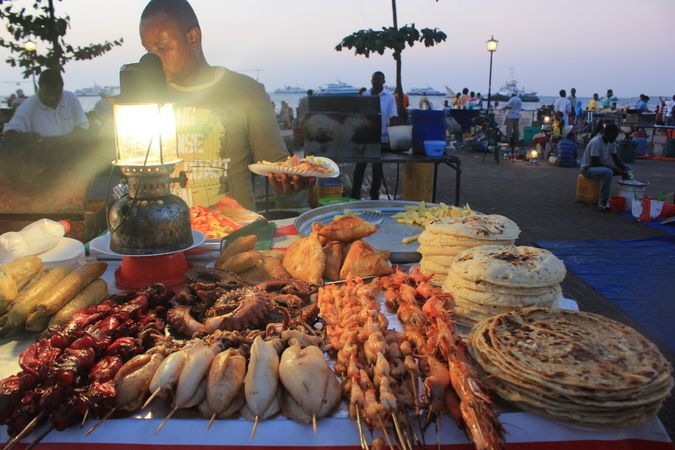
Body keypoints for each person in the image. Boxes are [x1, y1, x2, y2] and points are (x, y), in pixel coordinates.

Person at [139, 0, 312, 210]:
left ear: (193, 38)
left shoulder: (246, 92)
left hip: (233, 233)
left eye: (162, 48)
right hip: (166, 233)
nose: (153, 60)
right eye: (148, 49)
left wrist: (293, 180)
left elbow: (276, 164)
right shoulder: (143, 100)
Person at [350, 71, 397, 201]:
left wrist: (392, 137)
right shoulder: (365, 95)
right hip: (365, 137)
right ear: (371, 81)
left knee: (377, 168)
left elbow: (393, 117)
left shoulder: (389, 97)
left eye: (379, 80)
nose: (376, 81)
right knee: (359, 167)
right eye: (374, 79)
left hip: (381, 138)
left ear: (383, 82)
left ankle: (374, 196)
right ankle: (354, 195)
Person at [3, 69, 88, 138]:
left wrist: (67, 140)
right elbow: (9, 132)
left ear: (62, 86)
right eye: (46, 94)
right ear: (39, 86)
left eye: (56, 94)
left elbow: (83, 125)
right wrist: (28, 137)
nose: (52, 98)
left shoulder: (71, 98)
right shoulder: (28, 105)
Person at [580, 123, 633, 212]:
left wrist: (624, 168)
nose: (614, 139)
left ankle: (628, 199)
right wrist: (615, 169)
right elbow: (595, 163)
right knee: (608, 172)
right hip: (588, 169)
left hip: (602, 166)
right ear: (606, 134)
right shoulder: (596, 142)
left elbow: (615, 159)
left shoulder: (611, 141)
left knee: (628, 168)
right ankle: (603, 202)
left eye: (615, 137)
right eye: (612, 137)